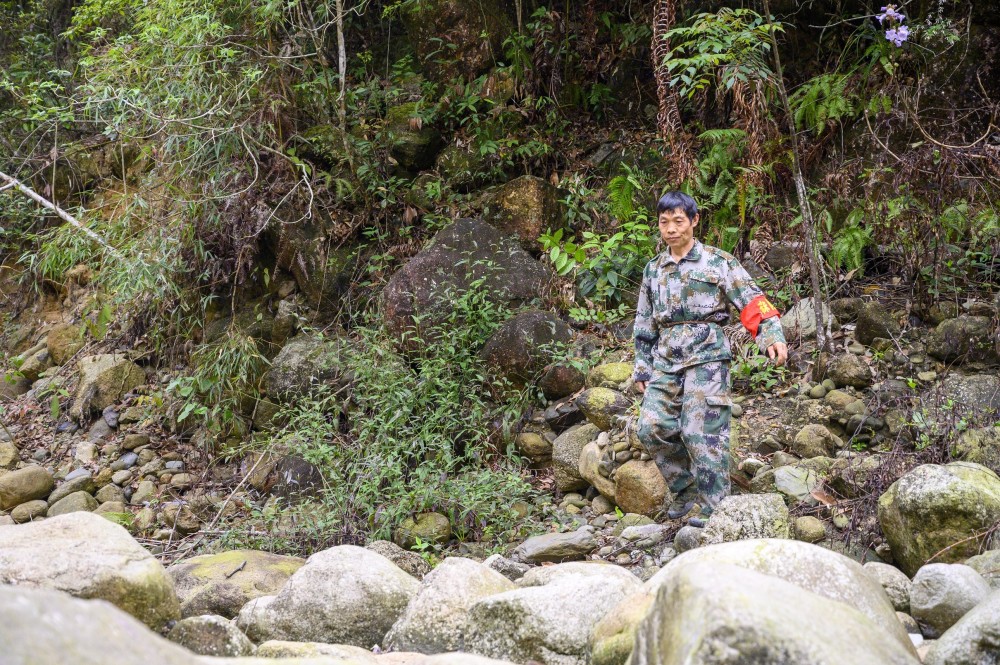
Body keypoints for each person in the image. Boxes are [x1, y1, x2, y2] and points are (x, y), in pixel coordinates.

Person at [633, 191, 787, 527]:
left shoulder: (718, 262)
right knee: (650, 427)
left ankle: (716, 506)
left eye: (678, 221)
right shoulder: (654, 270)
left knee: (700, 431)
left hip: (708, 357)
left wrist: (770, 334)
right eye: (664, 222)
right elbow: (645, 320)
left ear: (694, 220)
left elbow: (751, 300)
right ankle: (685, 489)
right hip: (667, 359)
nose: (671, 229)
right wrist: (642, 364)